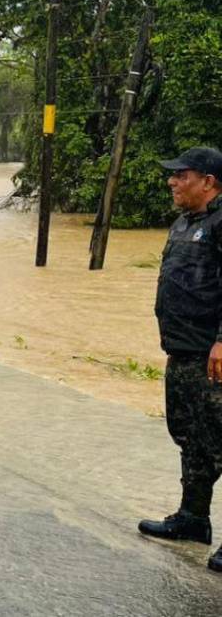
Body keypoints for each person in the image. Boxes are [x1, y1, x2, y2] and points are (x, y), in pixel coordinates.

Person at [138, 146, 222, 572]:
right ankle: (192, 519)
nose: (172, 181)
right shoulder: (184, 223)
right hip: (184, 351)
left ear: (208, 181)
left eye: (181, 175)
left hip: (214, 356)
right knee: (192, 438)